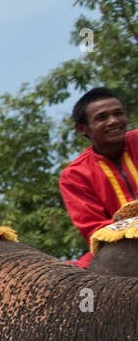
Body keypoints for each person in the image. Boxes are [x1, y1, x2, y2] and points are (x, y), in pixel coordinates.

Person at [59, 87, 138, 267]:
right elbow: (94, 229)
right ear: (82, 128)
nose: (114, 121)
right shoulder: (74, 175)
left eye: (118, 114)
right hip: (122, 246)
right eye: (102, 117)